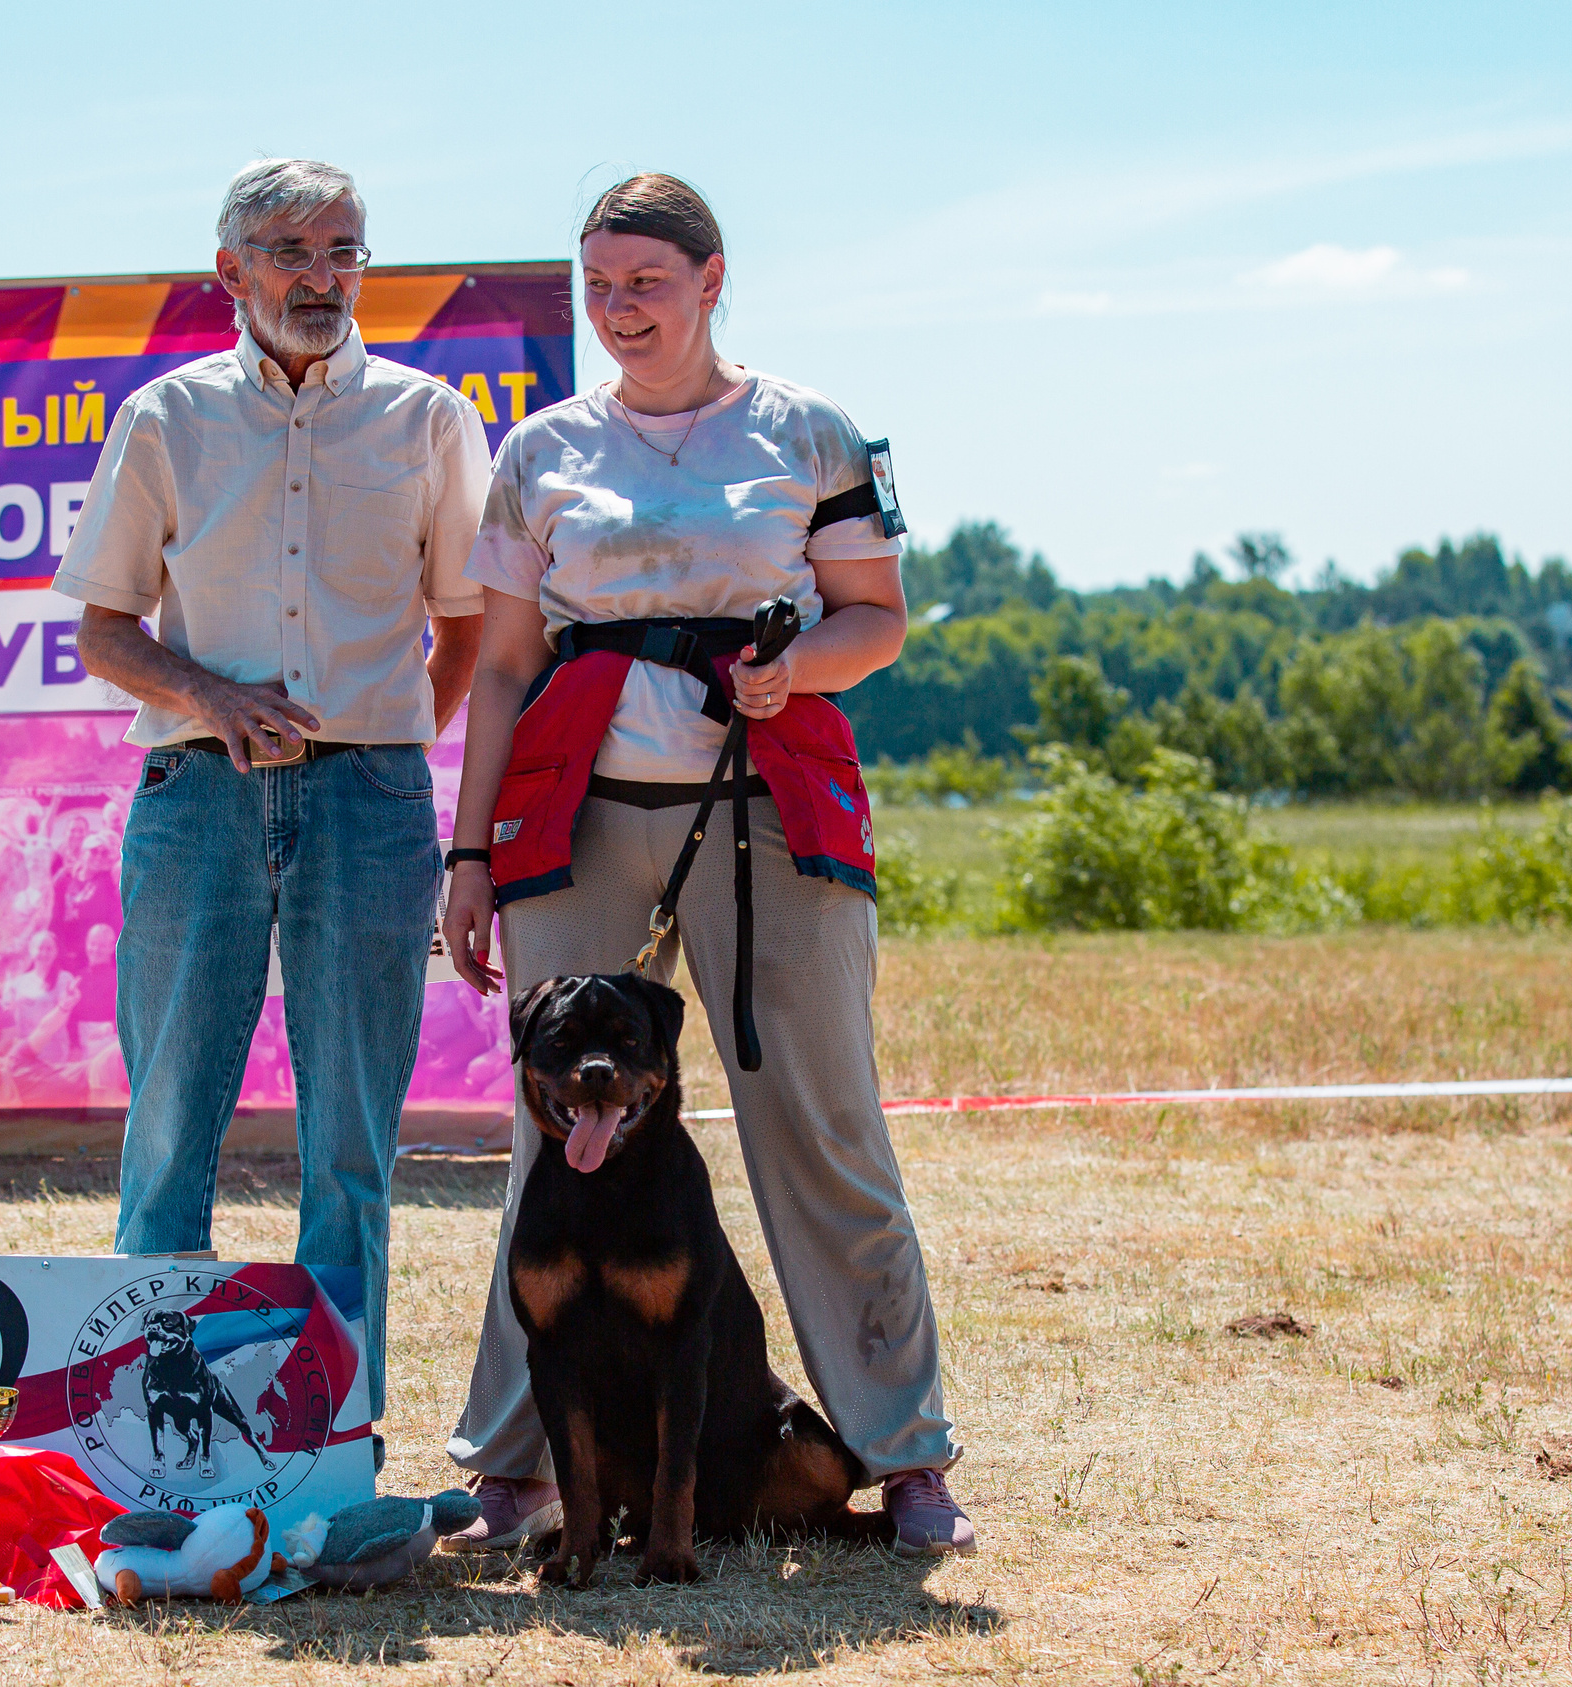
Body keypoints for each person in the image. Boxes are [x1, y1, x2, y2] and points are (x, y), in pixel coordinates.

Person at [437, 173, 974, 1558]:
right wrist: (470, 849)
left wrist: (795, 670)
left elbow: (879, 619)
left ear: (711, 278)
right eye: (599, 285)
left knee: (824, 1122)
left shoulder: (811, 429)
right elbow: (502, 666)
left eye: (646, 283)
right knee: (549, 1127)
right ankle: (517, 1463)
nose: (619, 309)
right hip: (579, 809)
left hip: (765, 802)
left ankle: (904, 1452)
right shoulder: (539, 448)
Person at [54, 159, 490, 1435]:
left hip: (371, 805)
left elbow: (463, 627)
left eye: (344, 249)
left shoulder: (427, 419)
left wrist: (382, 745)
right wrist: (210, 697)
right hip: (196, 795)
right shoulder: (166, 418)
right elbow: (104, 630)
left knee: (350, 1145)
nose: (321, 274)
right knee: (168, 1133)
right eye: (290, 250)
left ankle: (328, 1446)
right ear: (229, 273)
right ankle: (146, 1447)